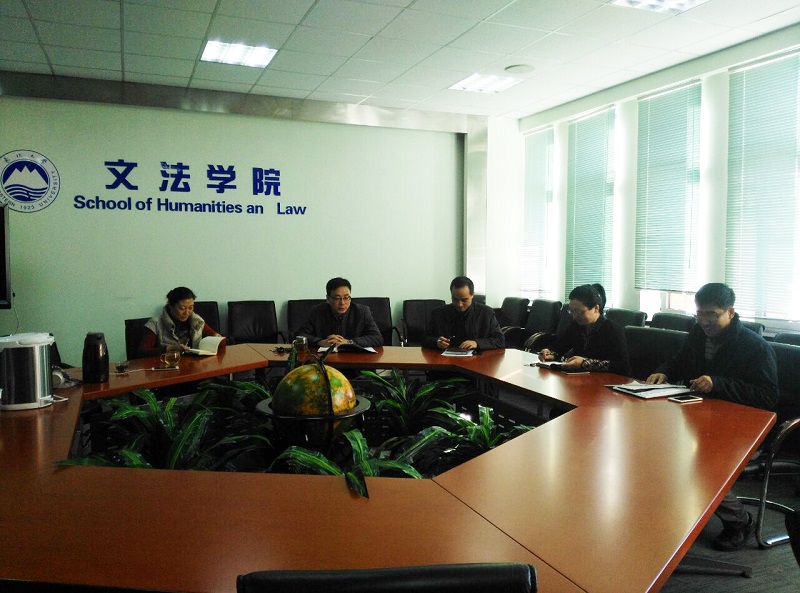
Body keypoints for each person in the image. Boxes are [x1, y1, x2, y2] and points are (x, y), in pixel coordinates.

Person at [646, 282, 779, 551]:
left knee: (698, 462)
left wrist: (718, 383)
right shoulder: (697, 334)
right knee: (652, 444)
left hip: (744, 427)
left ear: (731, 312)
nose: (704, 321)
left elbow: (768, 397)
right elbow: (679, 360)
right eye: (700, 314)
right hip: (702, 419)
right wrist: (664, 371)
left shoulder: (755, 347)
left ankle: (740, 521)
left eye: (712, 315)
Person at [538, 284, 630, 375]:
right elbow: (560, 346)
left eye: (578, 312)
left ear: (596, 308)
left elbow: (622, 366)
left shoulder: (613, 330)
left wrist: (585, 363)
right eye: (571, 311)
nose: (574, 316)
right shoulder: (576, 326)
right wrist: (549, 352)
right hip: (579, 379)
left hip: (605, 381)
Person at [423, 276, 504, 351]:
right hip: (445, 357)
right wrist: (437, 342)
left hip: (477, 358)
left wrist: (477, 343)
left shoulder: (486, 313)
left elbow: (500, 340)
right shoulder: (438, 313)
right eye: (455, 299)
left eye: (464, 300)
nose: (459, 304)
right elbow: (425, 339)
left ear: (472, 295)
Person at [297, 277, 382, 348]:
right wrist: (320, 342)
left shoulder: (362, 312)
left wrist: (348, 342)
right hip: (325, 359)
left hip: (354, 360)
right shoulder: (316, 312)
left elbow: (377, 338)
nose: (342, 303)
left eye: (346, 297)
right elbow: (300, 335)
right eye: (337, 298)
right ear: (328, 298)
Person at [138, 286, 222, 357]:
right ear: (171, 306)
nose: (187, 312)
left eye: (191, 307)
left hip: (193, 365)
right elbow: (142, 352)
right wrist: (169, 349)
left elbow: (220, 340)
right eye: (182, 308)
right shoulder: (155, 323)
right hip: (168, 366)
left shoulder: (196, 320)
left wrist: (217, 339)